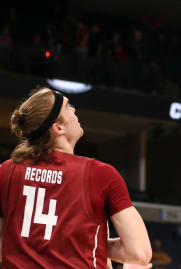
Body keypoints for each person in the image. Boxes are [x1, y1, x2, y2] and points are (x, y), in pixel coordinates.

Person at [0, 87, 152, 267]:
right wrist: (88, 244)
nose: (73, 110)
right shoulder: (100, 174)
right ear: (58, 127)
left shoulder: (6, 171)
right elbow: (139, 252)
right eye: (68, 107)